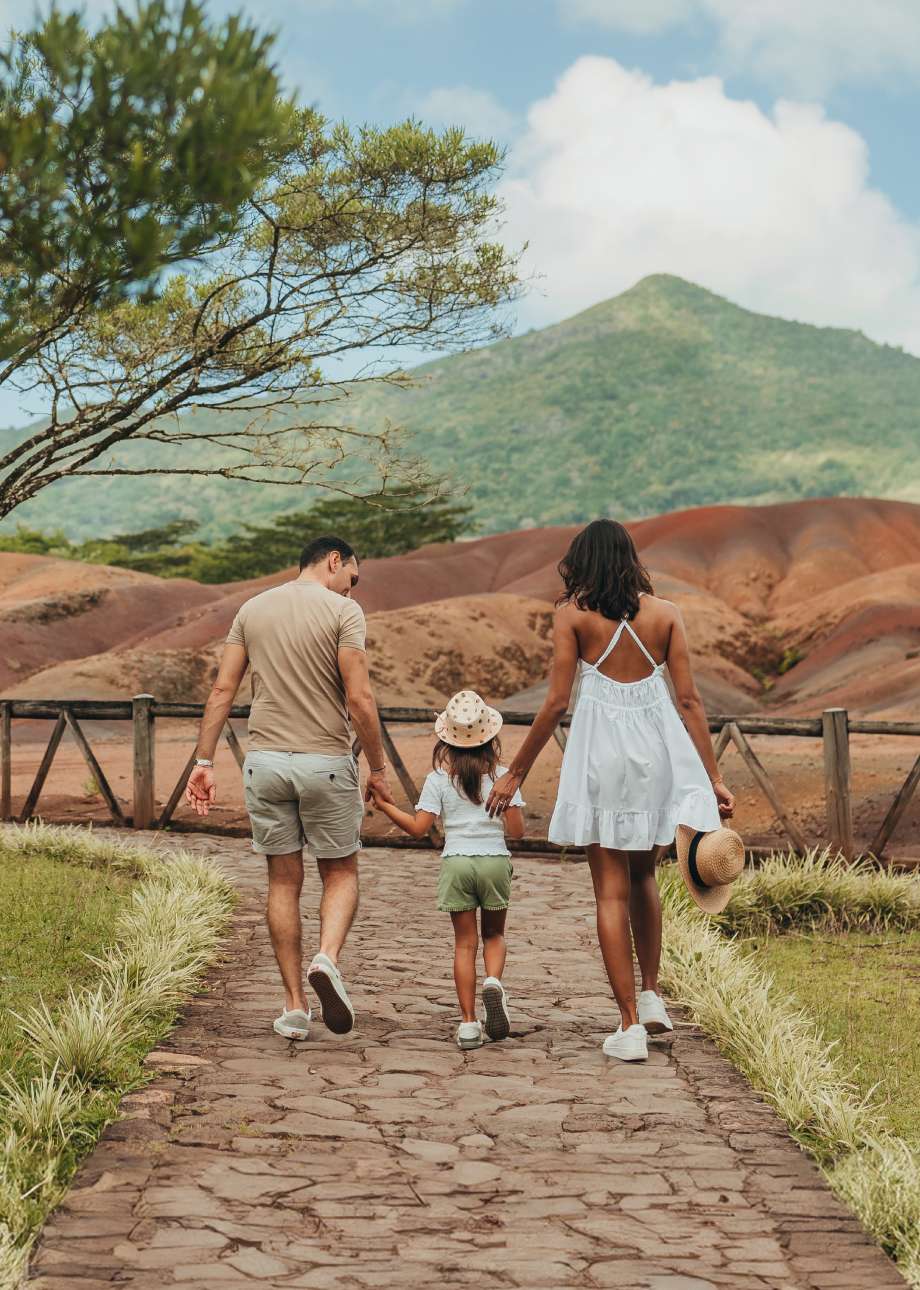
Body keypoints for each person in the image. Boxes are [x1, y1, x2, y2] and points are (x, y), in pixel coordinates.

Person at [487, 520, 734, 1062]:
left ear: (582, 562)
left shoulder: (572, 616)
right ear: (630, 558)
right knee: (645, 874)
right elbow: (689, 702)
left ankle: (628, 1026)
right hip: (657, 756)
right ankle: (651, 996)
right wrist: (712, 777)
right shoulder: (667, 615)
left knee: (609, 891)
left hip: (601, 758)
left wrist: (516, 773)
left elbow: (554, 704)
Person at [185, 535, 394, 1042]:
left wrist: (204, 760)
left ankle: (294, 1006)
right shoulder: (346, 614)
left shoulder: (251, 610)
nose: (352, 588)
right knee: (341, 870)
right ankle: (326, 958)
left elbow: (222, 690)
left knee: (282, 881)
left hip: (265, 765)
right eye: (352, 577)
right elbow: (360, 697)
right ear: (334, 561)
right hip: (324, 761)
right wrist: (379, 766)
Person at [369, 690, 524, 1050]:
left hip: (456, 863)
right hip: (494, 862)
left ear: (447, 741)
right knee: (494, 937)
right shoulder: (503, 777)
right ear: (491, 737)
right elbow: (517, 832)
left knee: (464, 943)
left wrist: (385, 806)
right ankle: (494, 984)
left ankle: (469, 1024)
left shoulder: (439, 780)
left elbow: (419, 828)